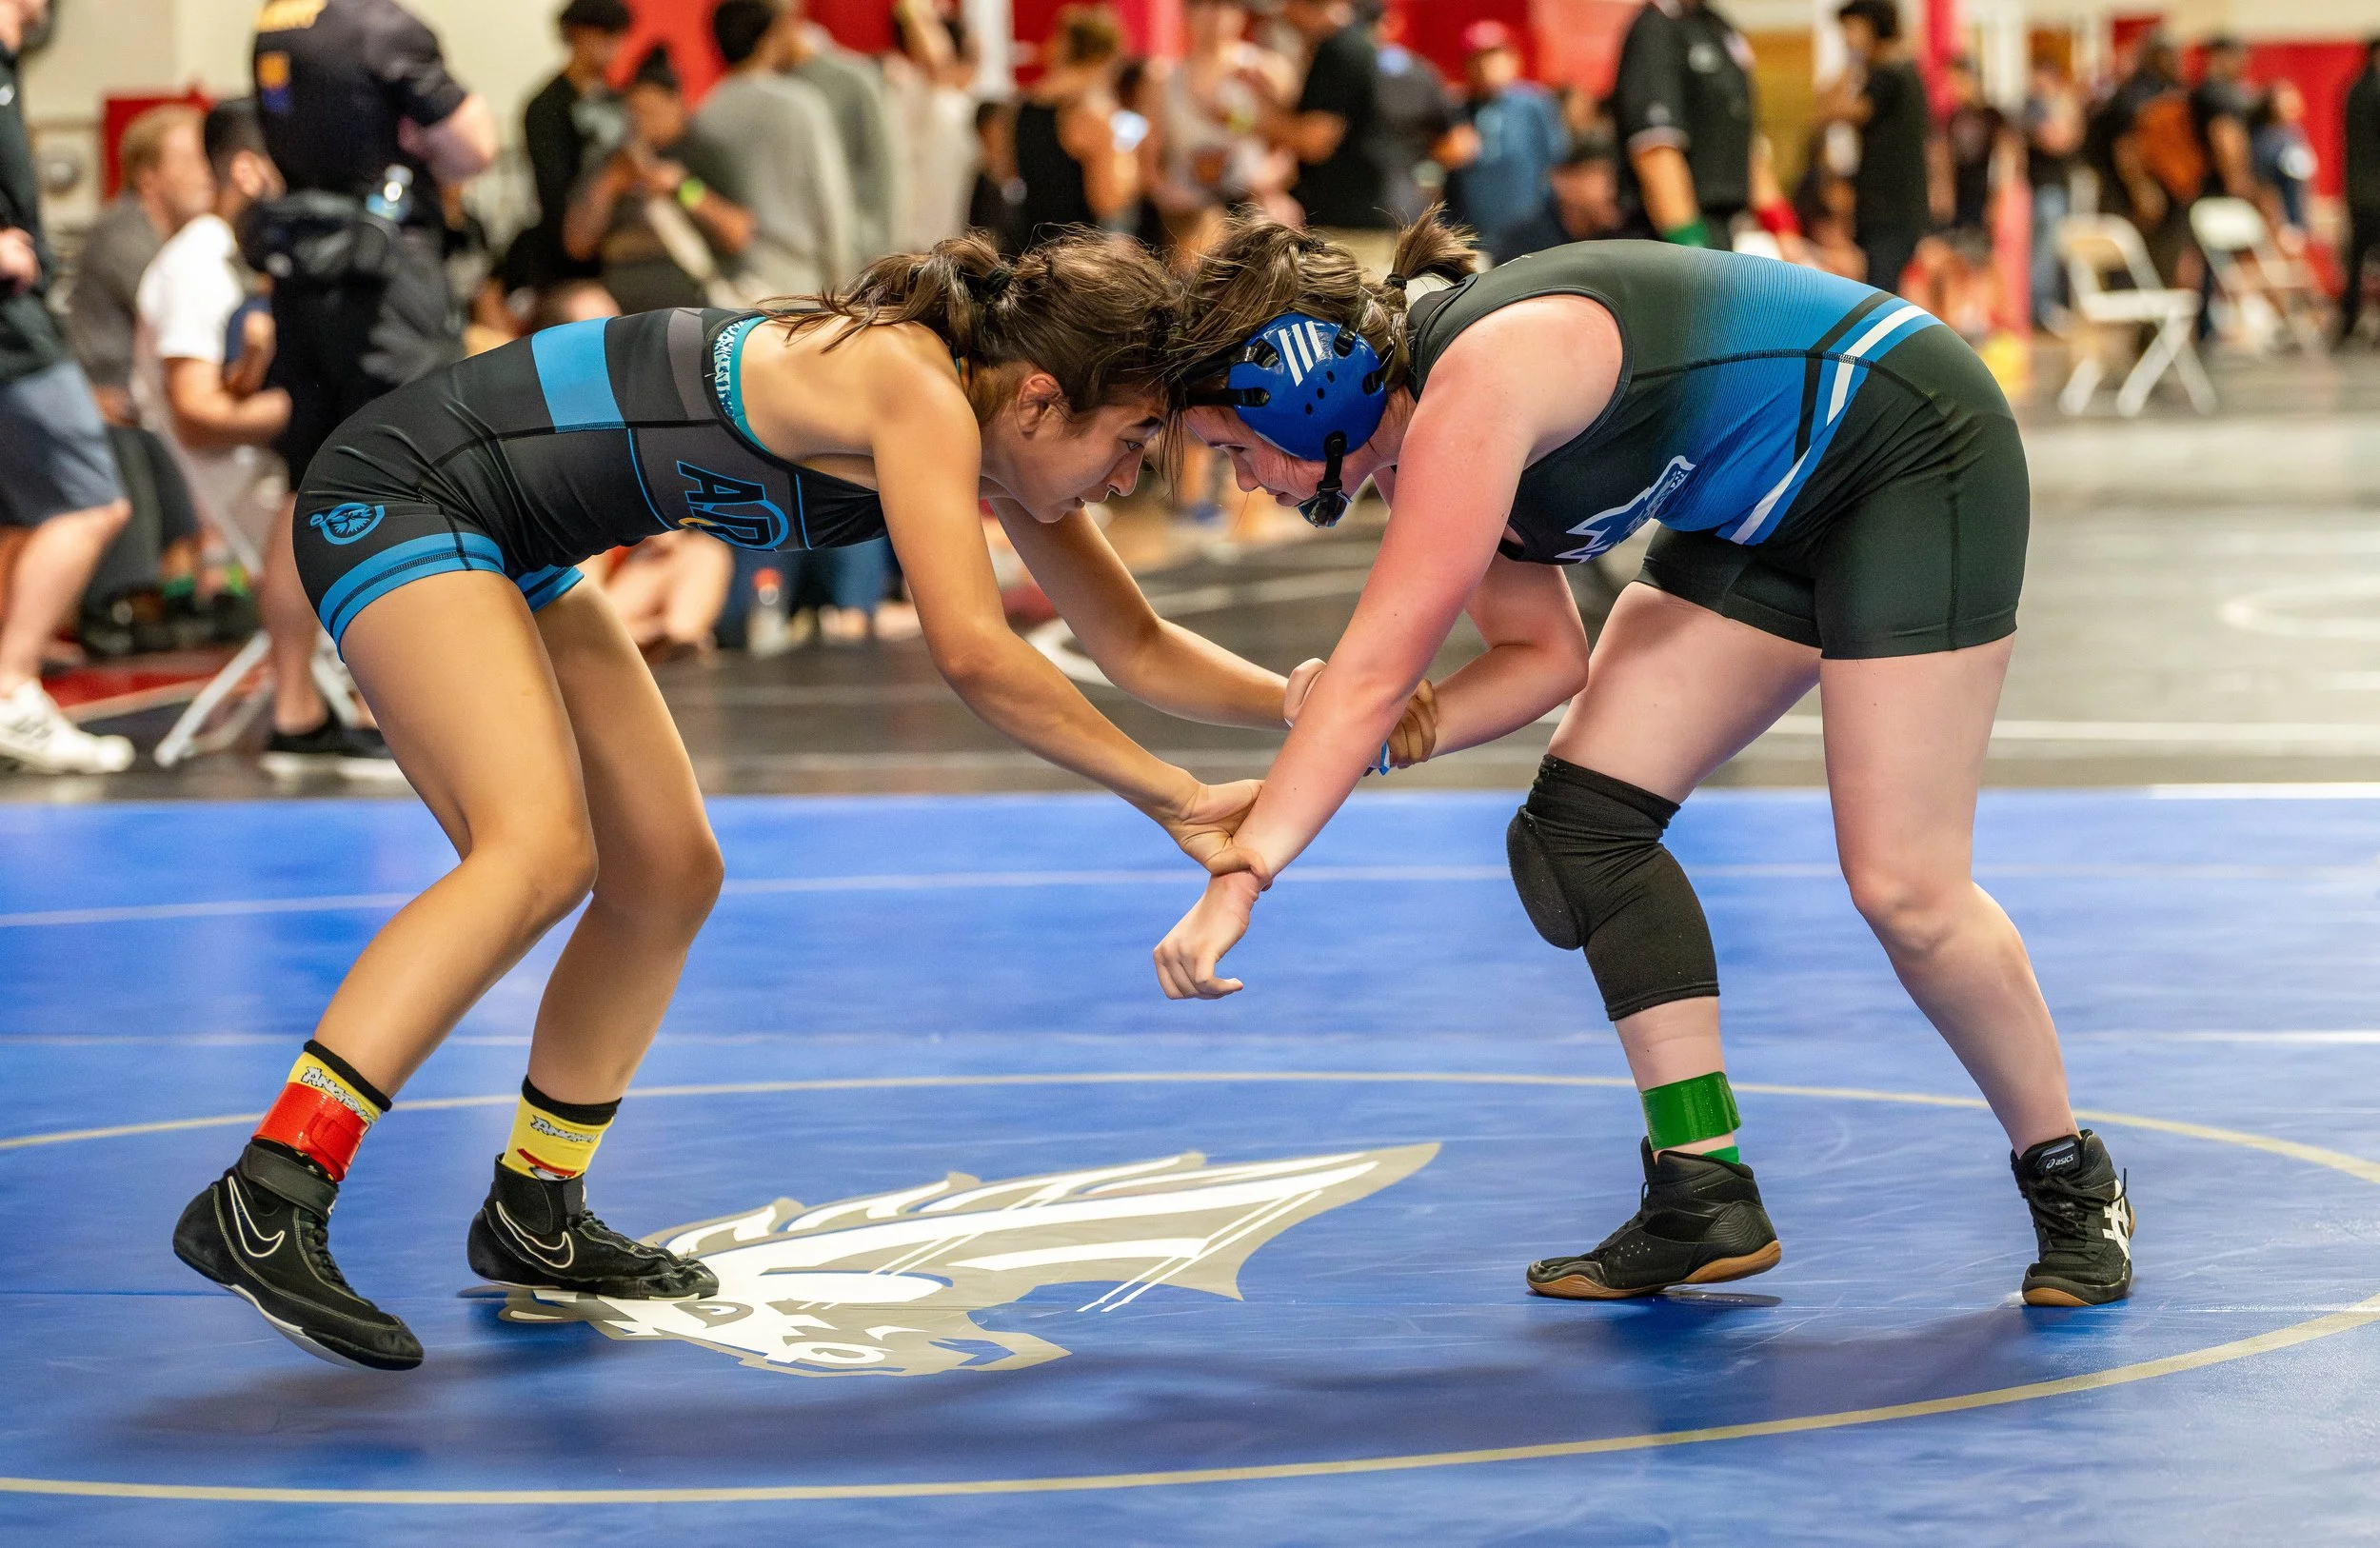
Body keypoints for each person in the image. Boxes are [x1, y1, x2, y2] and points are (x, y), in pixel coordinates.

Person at [169, 229, 1434, 1370]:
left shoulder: (998, 432)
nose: (1125, 481)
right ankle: (272, 1187)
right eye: (1131, 446)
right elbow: (979, 655)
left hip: (516, 540)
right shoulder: (912, 387)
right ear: (1045, 396)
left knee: (666, 869)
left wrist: (1311, 707)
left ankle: (535, 1210)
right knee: (535, 853)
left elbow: (1135, 641)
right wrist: (1168, 797)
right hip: (403, 495)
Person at [1155, 214, 2136, 1313]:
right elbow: (1540, 660)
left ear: (1304, 393)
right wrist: (1340, 761)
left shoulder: (1477, 383)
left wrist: (1244, 871)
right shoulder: (1420, 435)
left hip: (1907, 453)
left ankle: (2068, 1173)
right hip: (1764, 508)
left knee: (1905, 888)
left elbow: (1377, 673)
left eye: (1234, 449)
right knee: (1579, 829)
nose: (1240, 482)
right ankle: (1700, 1190)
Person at [134, 98, 394, 776]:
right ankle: (310, 709)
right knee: (349, 471)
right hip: (245, 478)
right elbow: (195, 411)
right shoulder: (195, 266)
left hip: (263, 466)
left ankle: (325, 707)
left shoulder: (246, 256)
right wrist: (300, 409)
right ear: (251, 170)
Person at [250, 0, 498, 496]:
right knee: (424, 459)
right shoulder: (380, 26)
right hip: (385, 277)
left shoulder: (273, 24)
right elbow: (477, 147)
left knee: (317, 482)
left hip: (304, 273)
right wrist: (425, 145)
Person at [0, 0, 134, 774]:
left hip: (17, 321)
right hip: (11, 328)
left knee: (24, 521)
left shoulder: (11, 64)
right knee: (91, 501)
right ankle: (15, 690)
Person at [66, 105, 219, 650]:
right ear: (148, 176)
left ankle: (179, 591)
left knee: (166, 446)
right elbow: (177, 312)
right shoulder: (124, 231)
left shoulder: (173, 238)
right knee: (132, 445)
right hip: (99, 401)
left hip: (137, 400)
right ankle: (118, 599)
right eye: (193, 158)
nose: (209, 170)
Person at [564, 46, 754, 315]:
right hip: (621, 305)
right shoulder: (612, 161)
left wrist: (682, 188)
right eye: (635, 112)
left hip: (695, 299)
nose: (642, 122)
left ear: (676, 104)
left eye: (651, 111)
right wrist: (609, 185)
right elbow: (577, 245)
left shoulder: (704, 154)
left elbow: (738, 234)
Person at [698, 0, 855, 296]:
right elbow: (830, 200)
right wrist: (843, 283)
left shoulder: (706, 113)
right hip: (801, 279)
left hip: (732, 282)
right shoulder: (800, 104)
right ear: (766, 39)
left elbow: (696, 193)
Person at [1142, 0, 1296, 261]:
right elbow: (1149, 155)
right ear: (1188, 12)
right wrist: (1166, 194)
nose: (1216, 16)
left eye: (1227, 5)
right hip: (1186, 220)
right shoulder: (1163, 78)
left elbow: (1293, 143)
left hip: (1251, 209)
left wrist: (1262, 181)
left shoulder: (1266, 70)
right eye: (1205, 5)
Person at [1256, 0, 1395, 271]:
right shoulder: (1339, 47)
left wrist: (1247, 118)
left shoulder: (1342, 49)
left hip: (1350, 229)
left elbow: (1314, 140)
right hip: (1344, 223)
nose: (1282, 16)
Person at [510, 0, 633, 295]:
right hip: (567, 259)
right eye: (604, 34)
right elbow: (554, 196)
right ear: (575, 34)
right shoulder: (546, 107)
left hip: (619, 247)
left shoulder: (618, 101)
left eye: (617, 35)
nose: (613, 45)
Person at [1608, 0, 1754, 248]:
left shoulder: (1716, 25)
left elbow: (1744, 140)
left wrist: (1784, 231)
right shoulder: (1655, 29)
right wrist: (1693, 248)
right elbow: (1656, 151)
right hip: (1671, 238)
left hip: (1722, 228)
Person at [781, 0, 905, 266]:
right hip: (808, 257)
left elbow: (888, 171)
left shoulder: (854, 81)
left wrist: (887, 256)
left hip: (861, 251)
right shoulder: (776, 84)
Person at [1818, 0, 1930, 295]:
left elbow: (1832, 110)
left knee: (1880, 294)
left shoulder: (1888, 74)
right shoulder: (1904, 71)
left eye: (1851, 29)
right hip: (1896, 204)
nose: (1846, 37)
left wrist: (1850, 62)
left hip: (1888, 207)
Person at [1013, 4, 1139, 248]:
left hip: (1029, 250)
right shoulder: (1093, 114)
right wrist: (1133, 162)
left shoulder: (1024, 107)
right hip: (1077, 262)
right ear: (1104, 57)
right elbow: (1108, 199)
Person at [1440, 22, 1567, 245]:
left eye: (1495, 57)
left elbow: (1557, 161)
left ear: (1513, 60)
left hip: (1529, 231)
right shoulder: (1457, 109)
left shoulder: (1533, 104)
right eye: (1478, 59)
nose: (1487, 66)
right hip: (1473, 234)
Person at [1486, 133, 1622, 264]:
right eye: (1596, 174)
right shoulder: (1523, 246)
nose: (1609, 188)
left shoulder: (1618, 235)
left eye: (1611, 176)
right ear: (1561, 180)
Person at [2023, 56, 2083, 327]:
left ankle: (2053, 304)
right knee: (2044, 250)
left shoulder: (2056, 103)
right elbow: (2056, 139)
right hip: (2044, 188)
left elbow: (2072, 135)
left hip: (2059, 185)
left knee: (2058, 248)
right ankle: (2041, 308)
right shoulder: (2033, 107)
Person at [2340, 38, 2380, 346]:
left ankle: (2349, 321)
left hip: (2357, 192)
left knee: (2355, 262)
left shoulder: (2353, 89)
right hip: (2375, 193)